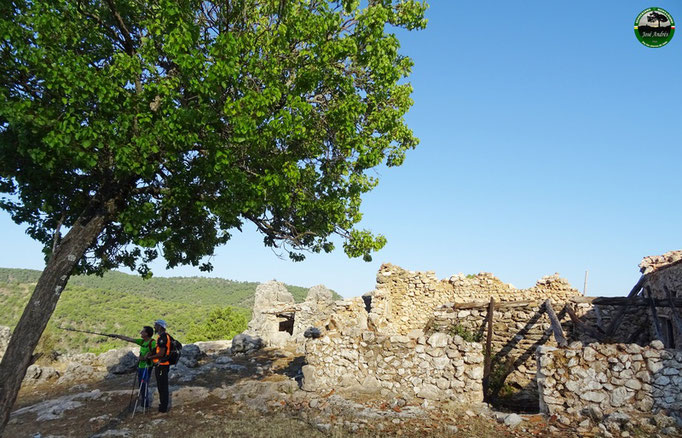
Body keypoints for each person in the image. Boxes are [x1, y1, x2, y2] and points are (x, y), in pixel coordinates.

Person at [111, 326, 156, 409]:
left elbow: (151, 354)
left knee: (144, 384)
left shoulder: (152, 342)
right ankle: (144, 402)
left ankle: (145, 404)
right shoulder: (142, 341)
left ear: (147, 333)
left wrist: (143, 358)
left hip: (147, 366)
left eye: (142, 331)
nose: (141, 333)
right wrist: (117, 336)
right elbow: (129, 339)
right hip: (141, 366)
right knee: (141, 384)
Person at [144, 319, 171, 413]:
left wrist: (150, 357)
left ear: (160, 326)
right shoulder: (162, 336)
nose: (154, 327)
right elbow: (158, 350)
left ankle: (163, 408)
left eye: (155, 325)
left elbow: (161, 353)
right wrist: (151, 353)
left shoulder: (163, 337)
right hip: (161, 364)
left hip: (162, 365)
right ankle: (163, 405)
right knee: (161, 385)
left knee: (162, 386)